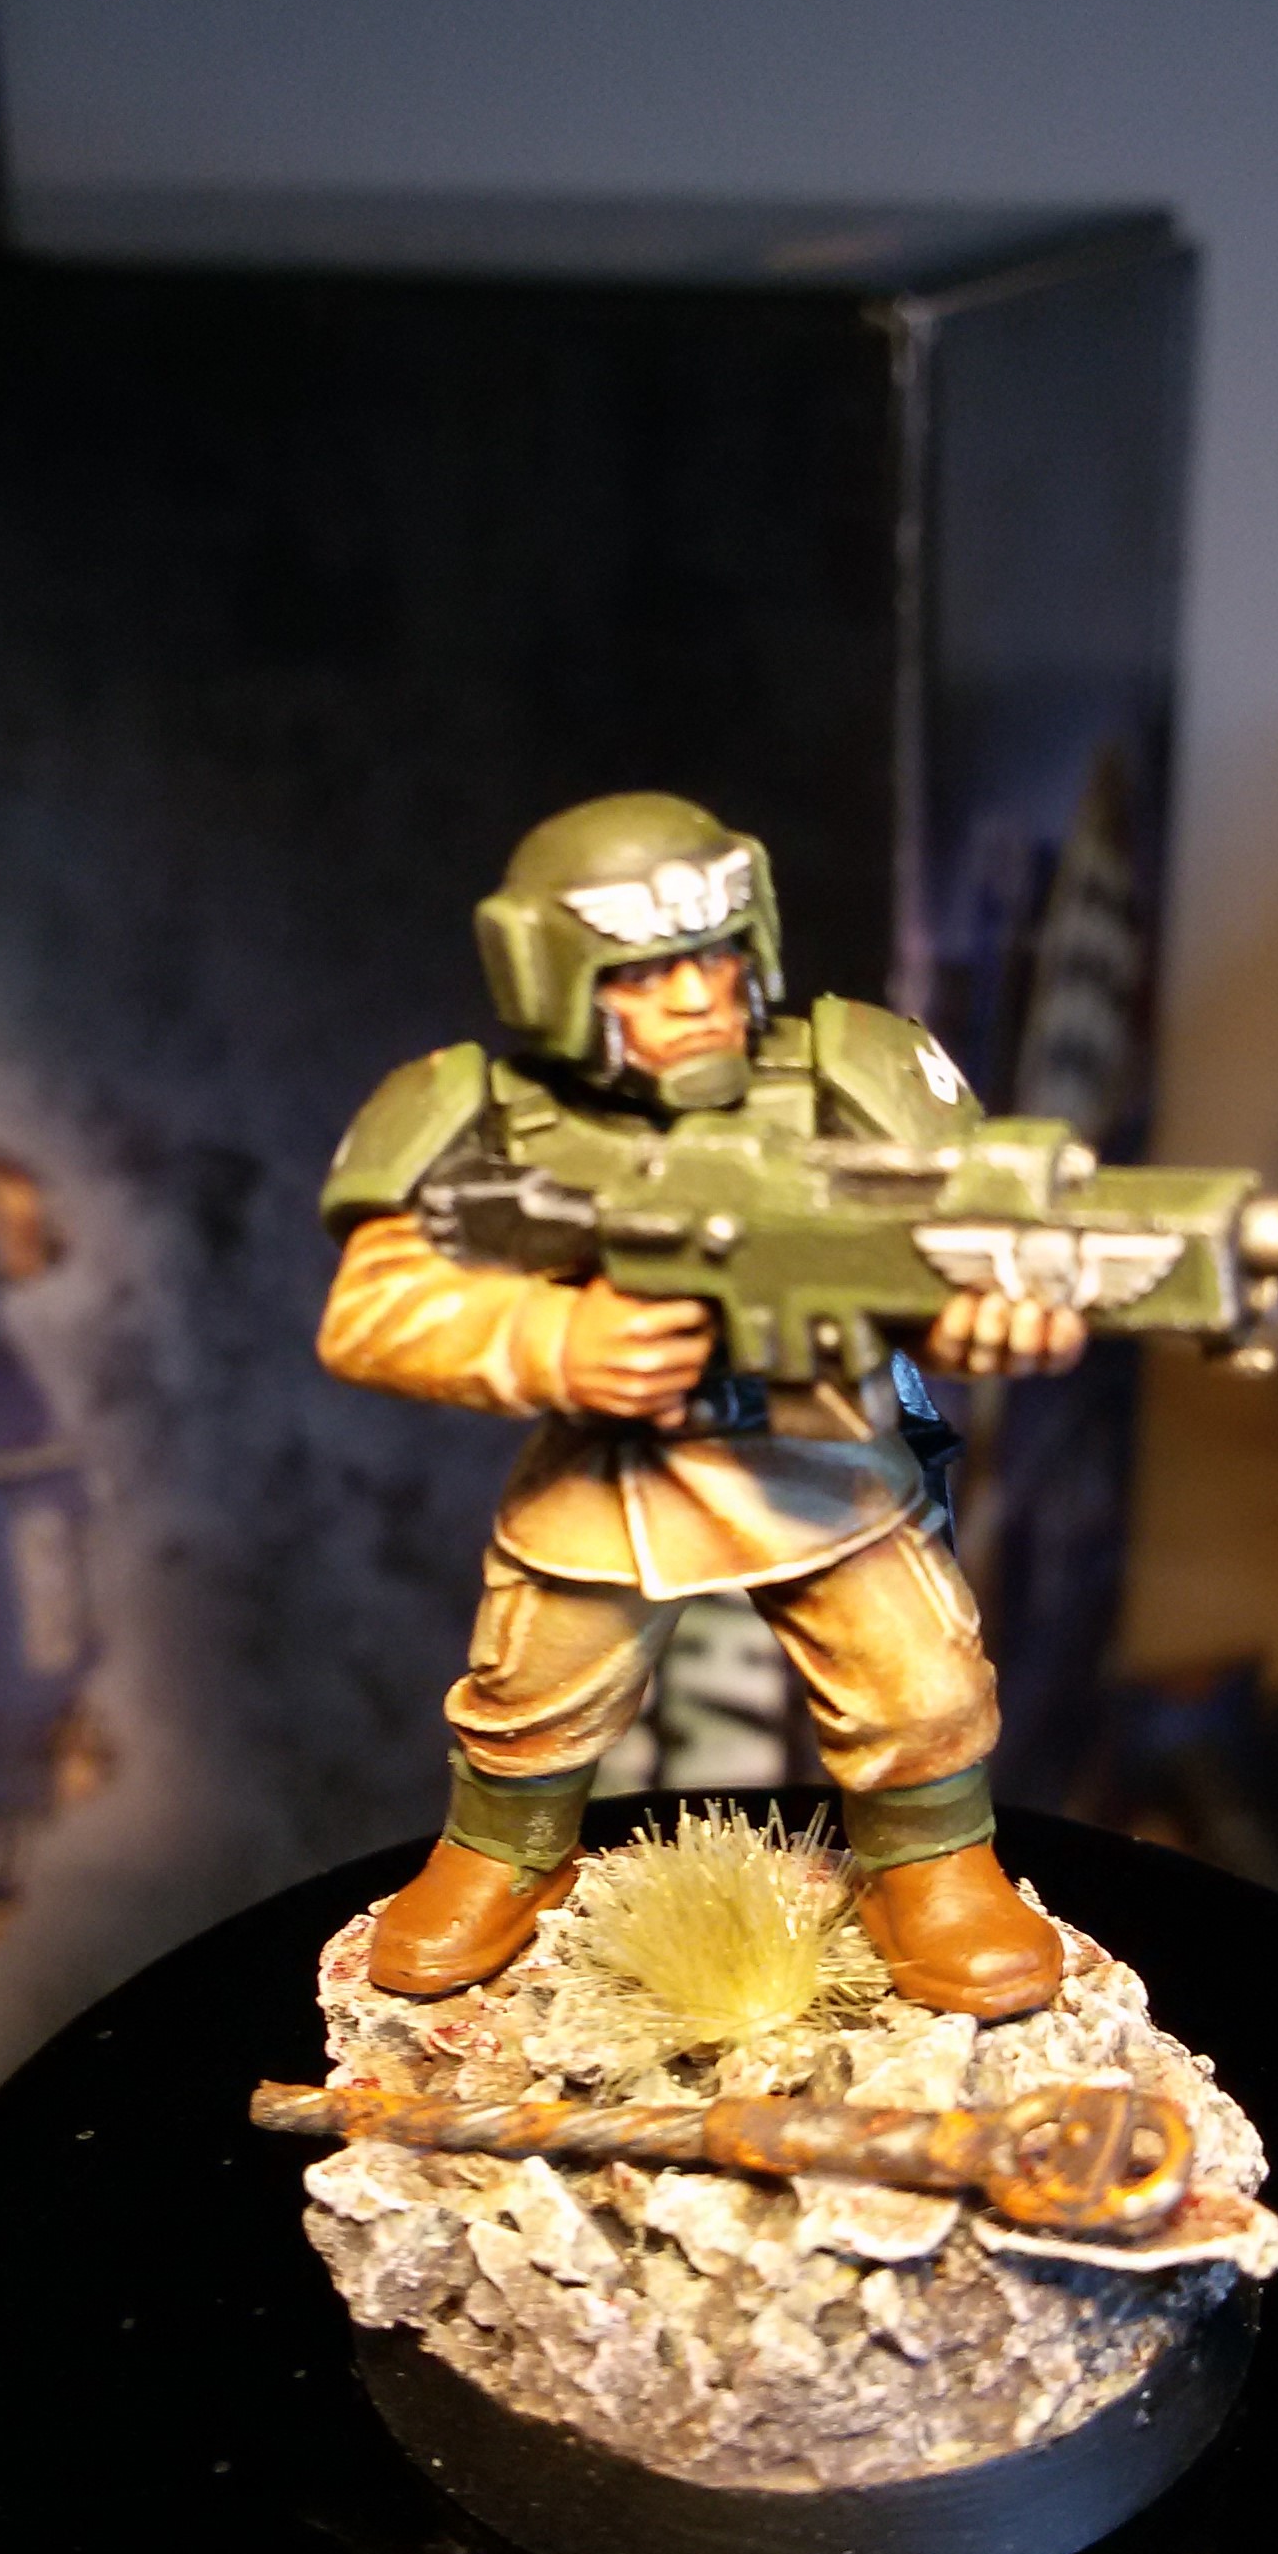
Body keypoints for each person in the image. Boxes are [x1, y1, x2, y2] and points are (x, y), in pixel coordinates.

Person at [318, 793, 1086, 2021]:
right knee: (530, 1694)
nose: (696, 998)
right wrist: (553, 1337)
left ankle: (931, 1864)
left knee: (921, 1687)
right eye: (643, 973)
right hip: (614, 1470)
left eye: (716, 958)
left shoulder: (849, 1075)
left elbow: (948, 1253)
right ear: (555, 977)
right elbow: (375, 1305)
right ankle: (508, 1850)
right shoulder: (478, 1116)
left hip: (819, 1456)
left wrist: (983, 1318)